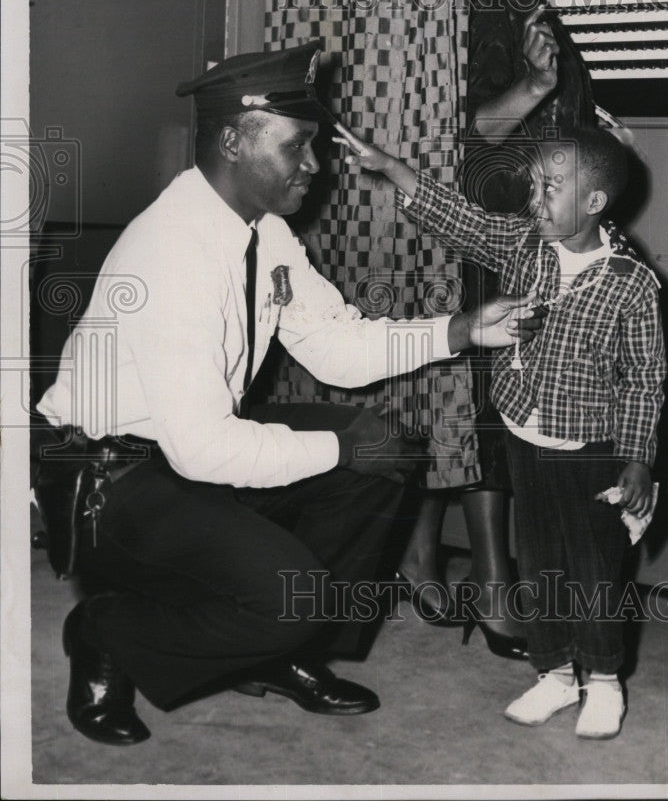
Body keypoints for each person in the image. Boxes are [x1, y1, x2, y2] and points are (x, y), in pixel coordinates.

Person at [35, 41, 545, 746]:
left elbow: (337, 346)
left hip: (181, 449)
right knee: (291, 584)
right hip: (109, 480)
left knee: (386, 450)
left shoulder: (264, 233)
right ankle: (105, 630)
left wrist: (457, 331)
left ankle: (282, 654)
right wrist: (338, 444)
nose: (317, 165)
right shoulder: (172, 252)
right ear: (233, 141)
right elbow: (205, 450)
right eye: (298, 146)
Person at [333, 122, 665, 740]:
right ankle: (557, 674)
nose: (534, 200)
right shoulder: (524, 245)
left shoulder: (632, 285)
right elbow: (460, 220)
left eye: (550, 188)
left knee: (592, 568)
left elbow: (646, 380)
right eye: (534, 185)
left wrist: (638, 458)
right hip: (525, 437)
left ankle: (604, 680)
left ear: (594, 202)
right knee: (539, 562)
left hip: (591, 450)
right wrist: (391, 167)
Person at [396, 0, 603, 653]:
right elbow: (460, 137)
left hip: (518, 230)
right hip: (471, 234)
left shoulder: (525, 4)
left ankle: (418, 558)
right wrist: (536, 91)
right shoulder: (477, 4)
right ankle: (493, 590)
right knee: (481, 411)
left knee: (456, 403)